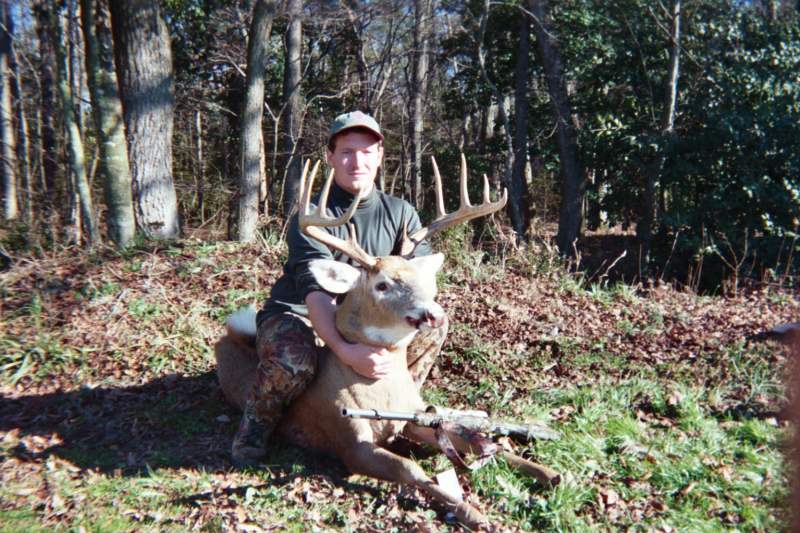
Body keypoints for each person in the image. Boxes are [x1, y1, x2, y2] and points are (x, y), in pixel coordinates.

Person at [232, 111, 448, 466]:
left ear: (380, 155)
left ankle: (398, 410)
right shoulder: (313, 218)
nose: (356, 161)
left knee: (433, 329)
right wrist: (346, 353)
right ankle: (255, 429)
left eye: (366, 152)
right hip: (300, 314)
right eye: (346, 152)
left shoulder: (401, 213)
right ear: (330, 157)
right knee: (295, 360)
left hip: (363, 319)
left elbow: (421, 279)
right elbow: (316, 294)